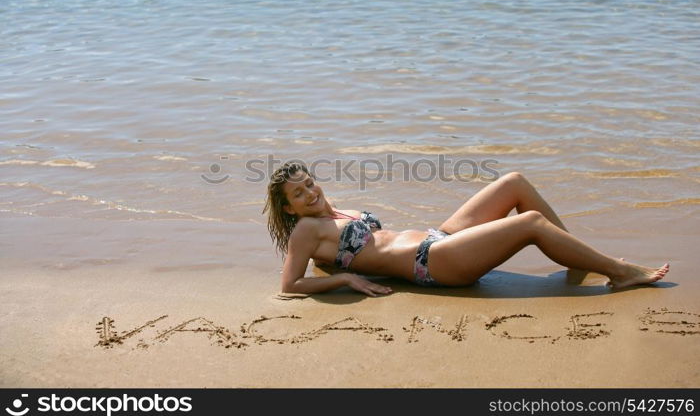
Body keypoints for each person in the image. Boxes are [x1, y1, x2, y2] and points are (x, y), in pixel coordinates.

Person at [263, 161, 669, 297]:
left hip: (438, 239)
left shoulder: (336, 214)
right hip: (433, 265)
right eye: (298, 193)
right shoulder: (306, 231)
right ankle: (620, 273)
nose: (309, 193)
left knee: (513, 182)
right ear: (288, 207)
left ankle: (580, 262)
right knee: (528, 224)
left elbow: (342, 253)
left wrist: (338, 265)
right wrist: (346, 278)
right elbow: (289, 286)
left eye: (309, 183)